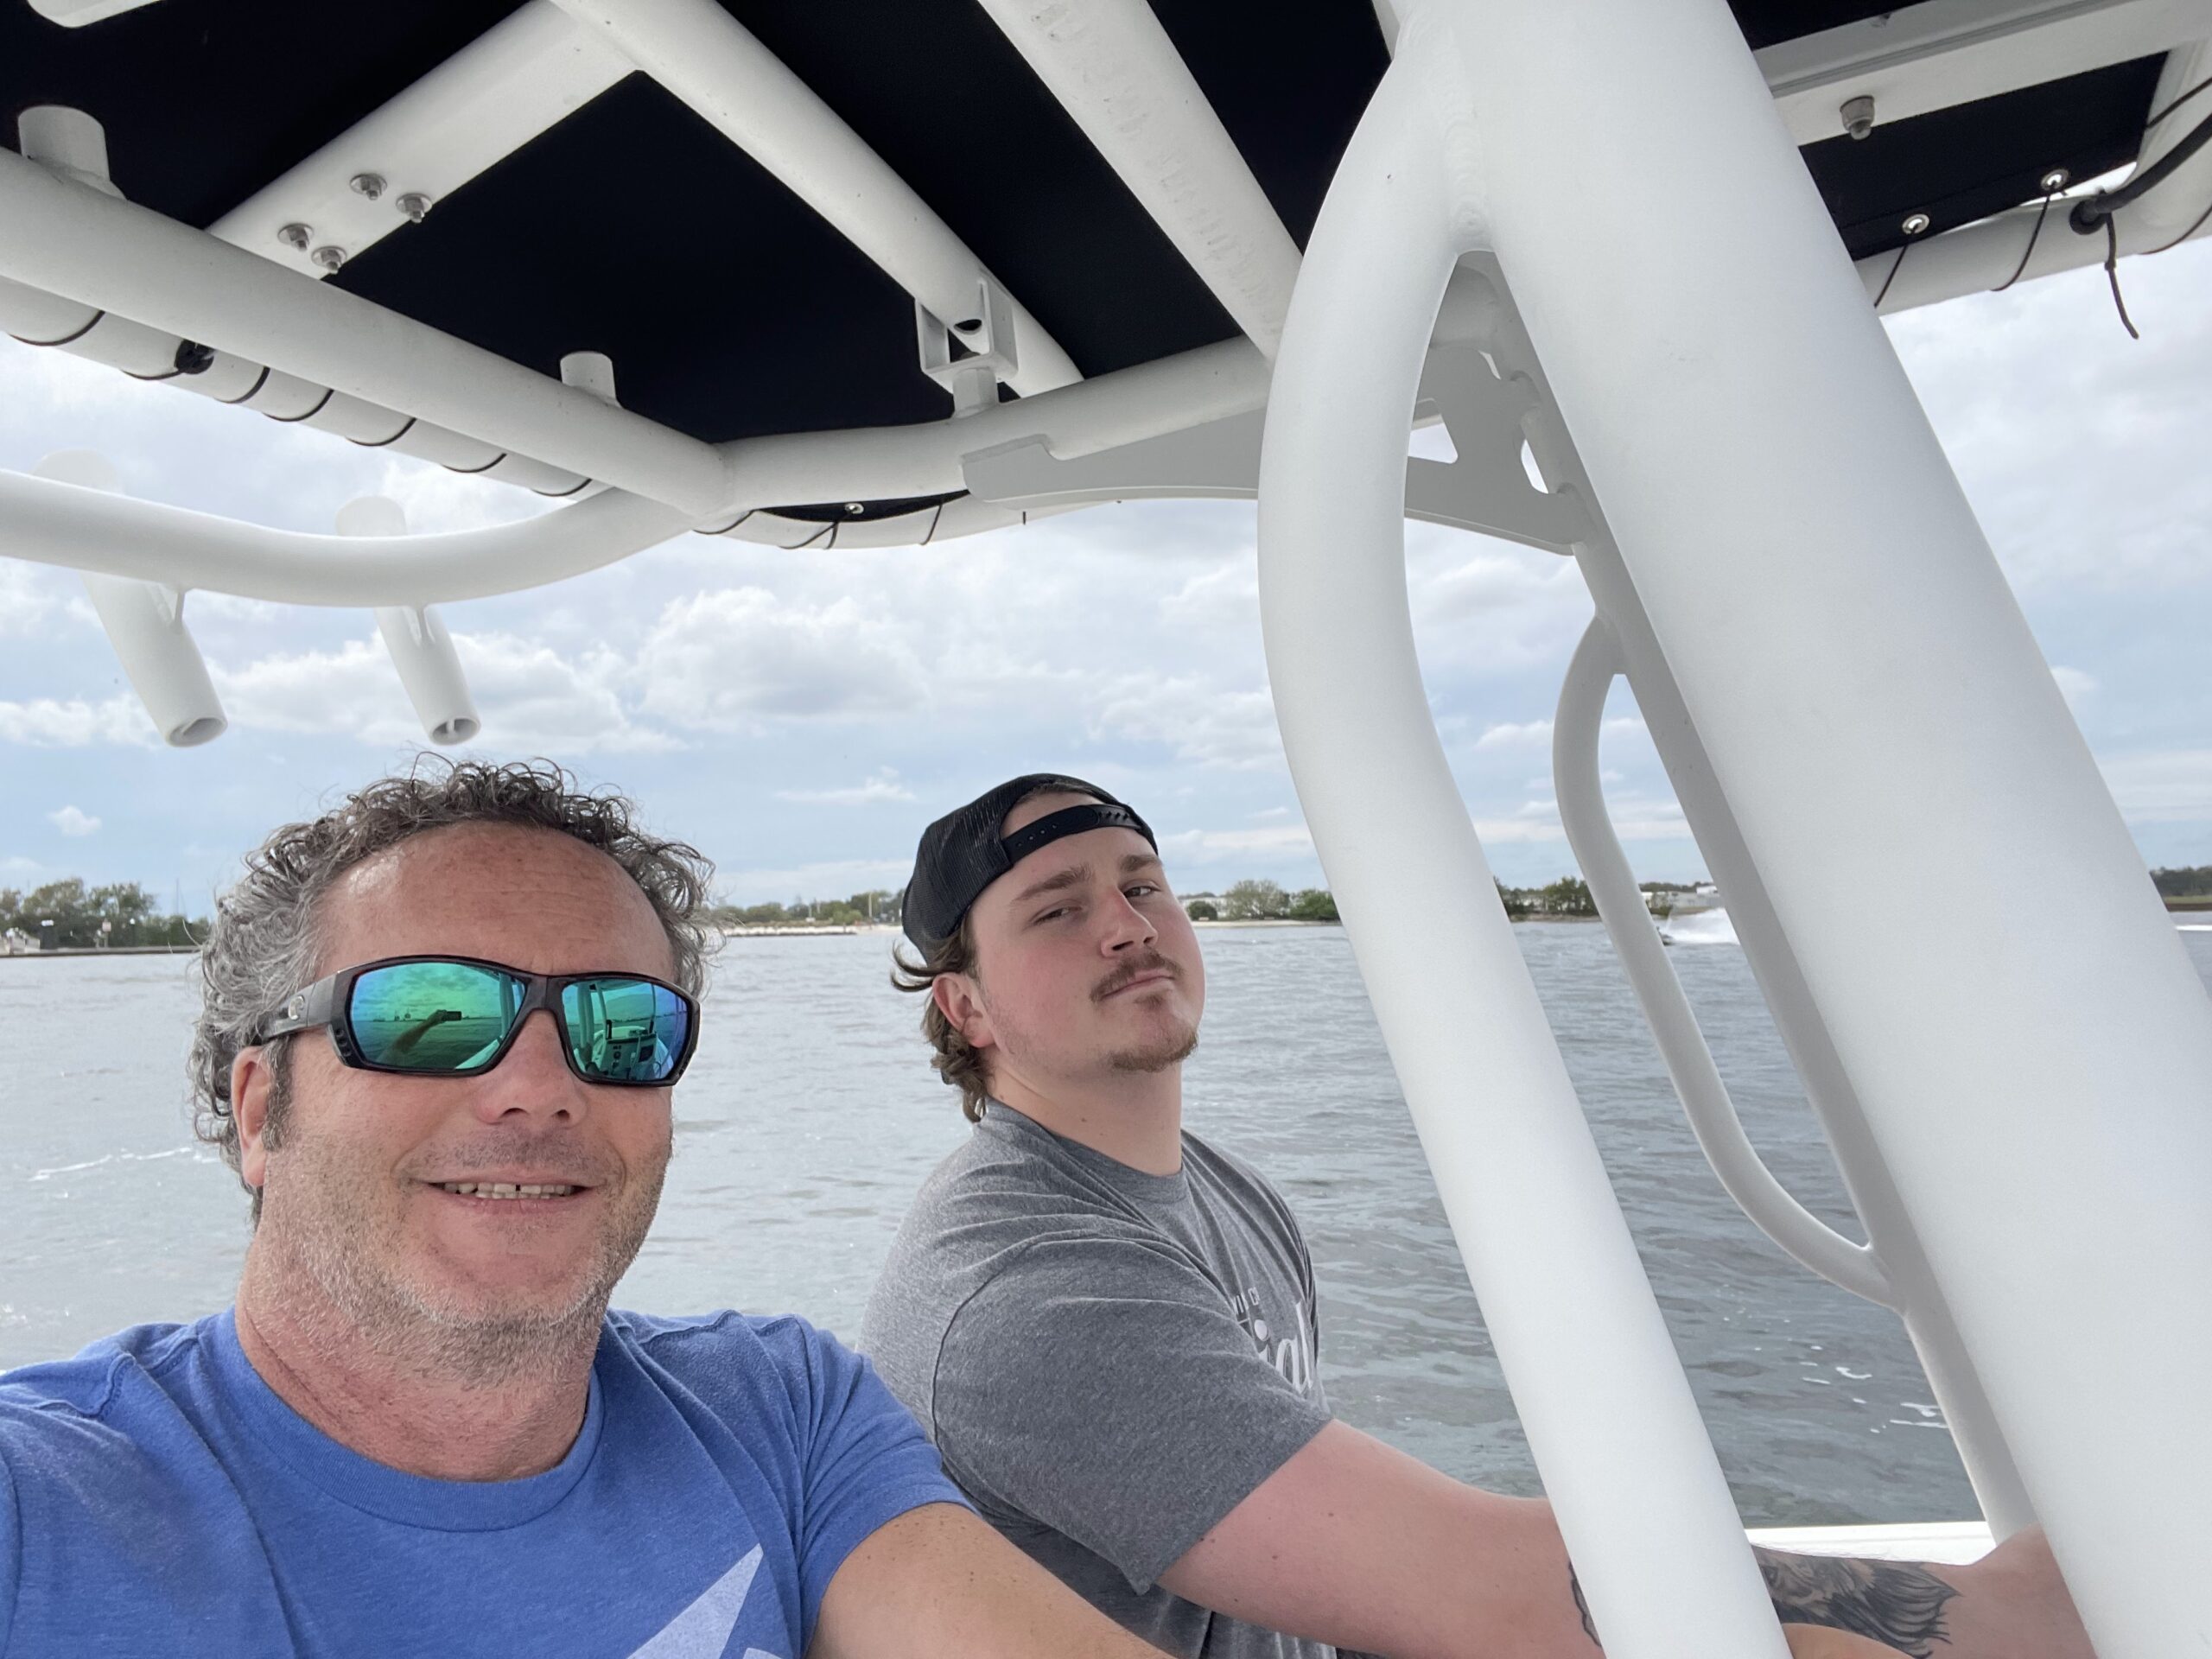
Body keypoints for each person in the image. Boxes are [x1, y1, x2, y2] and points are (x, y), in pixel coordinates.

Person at [860, 773, 2094, 1659]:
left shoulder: (1223, 1191)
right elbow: (1487, 1592)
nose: (1128, 926)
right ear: (967, 1009)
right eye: (1058, 909)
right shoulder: (1027, 1289)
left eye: (1143, 885)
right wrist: (1992, 1611)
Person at [0, 760, 1175, 1659]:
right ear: (262, 1110)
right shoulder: (46, 1510)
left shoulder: (783, 1418)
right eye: (428, 1015)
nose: (540, 1087)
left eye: (621, 1026)